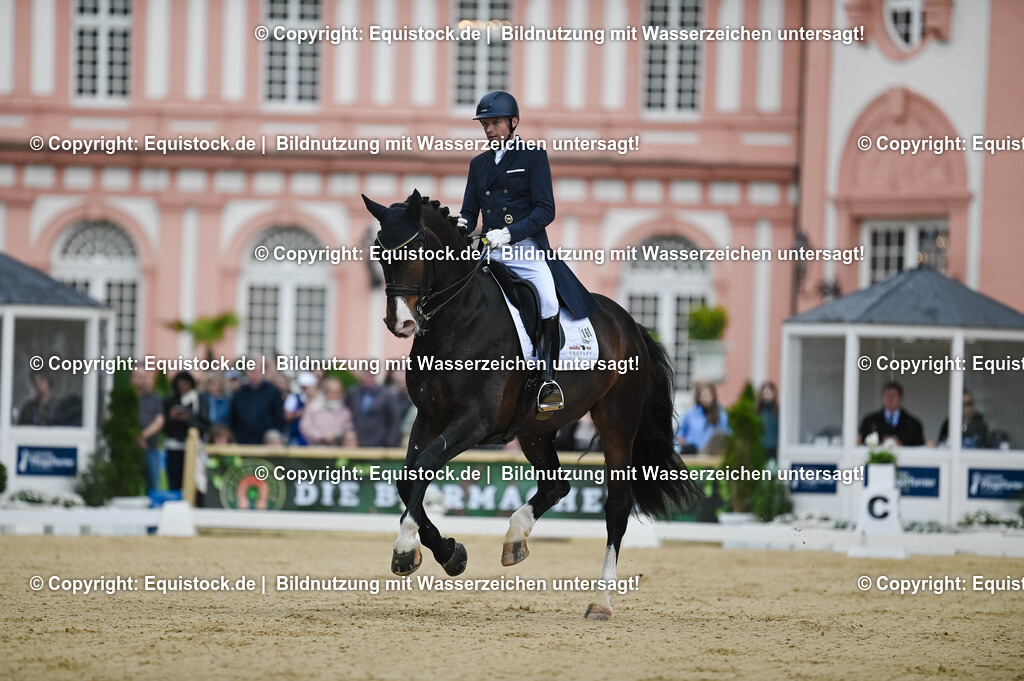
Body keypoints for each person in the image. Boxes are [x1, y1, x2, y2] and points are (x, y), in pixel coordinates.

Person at [457, 90, 598, 419]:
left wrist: (509, 232)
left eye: (495, 123)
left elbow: (545, 210)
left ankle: (547, 381)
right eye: (485, 124)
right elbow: (468, 213)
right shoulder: (478, 164)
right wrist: (458, 227)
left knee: (548, 301)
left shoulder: (532, 156)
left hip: (525, 249)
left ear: (513, 123)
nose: (489, 129)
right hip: (491, 252)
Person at [163, 371, 210, 493]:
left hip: (193, 446)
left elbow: (205, 424)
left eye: (186, 383)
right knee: (174, 480)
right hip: (174, 445)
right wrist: (171, 418)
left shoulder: (199, 400)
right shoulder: (170, 400)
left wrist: (188, 419)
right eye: (180, 384)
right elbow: (164, 426)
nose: (183, 387)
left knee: (194, 480)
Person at [229, 362, 285, 445]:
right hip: (243, 436)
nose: (254, 374)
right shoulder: (239, 393)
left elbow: (279, 416)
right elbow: (234, 418)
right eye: (251, 371)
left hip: (266, 437)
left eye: (256, 371)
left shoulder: (273, 392)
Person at [858, 381, 924, 447]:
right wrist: (882, 443)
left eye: (893, 396)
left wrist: (901, 445)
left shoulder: (913, 424)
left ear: (900, 398)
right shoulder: (869, 421)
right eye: (887, 395)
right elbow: (861, 444)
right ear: (882, 397)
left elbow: (920, 448)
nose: (890, 399)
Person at [345, 370, 398, 447]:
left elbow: (394, 421)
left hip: (380, 443)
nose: (367, 378)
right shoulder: (353, 393)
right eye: (365, 375)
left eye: (369, 375)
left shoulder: (386, 395)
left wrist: (389, 442)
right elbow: (347, 415)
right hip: (357, 442)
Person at [300, 377, 358, 447]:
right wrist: (320, 436)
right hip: (316, 450)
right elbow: (305, 428)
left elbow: (348, 430)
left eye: (337, 392)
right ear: (325, 392)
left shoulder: (345, 412)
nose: (335, 396)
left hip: (338, 451)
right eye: (332, 392)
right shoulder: (313, 408)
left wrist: (335, 437)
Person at [132, 370, 165, 493]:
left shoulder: (155, 398)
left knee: (152, 484)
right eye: (139, 376)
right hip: (132, 449)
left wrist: (142, 436)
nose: (143, 380)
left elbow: (159, 421)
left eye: (145, 376)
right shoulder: (129, 398)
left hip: (151, 448)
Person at [675, 381, 730, 454]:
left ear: (713, 396)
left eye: (708, 396)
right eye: (703, 396)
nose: (706, 399)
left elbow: (726, 433)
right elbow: (680, 433)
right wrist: (680, 439)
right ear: (699, 397)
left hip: (712, 452)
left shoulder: (722, 415)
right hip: (692, 452)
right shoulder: (690, 414)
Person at [284, 371, 319, 445]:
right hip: (297, 435)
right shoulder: (293, 398)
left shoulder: (318, 399)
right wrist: (299, 413)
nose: (306, 390)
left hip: (315, 436)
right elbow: (287, 416)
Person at [757, 381, 779, 463]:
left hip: (774, 450)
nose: (767, 395)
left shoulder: (777, 412)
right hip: (761, 450)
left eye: (769, 392)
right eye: (765, 393)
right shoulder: (758, 412)